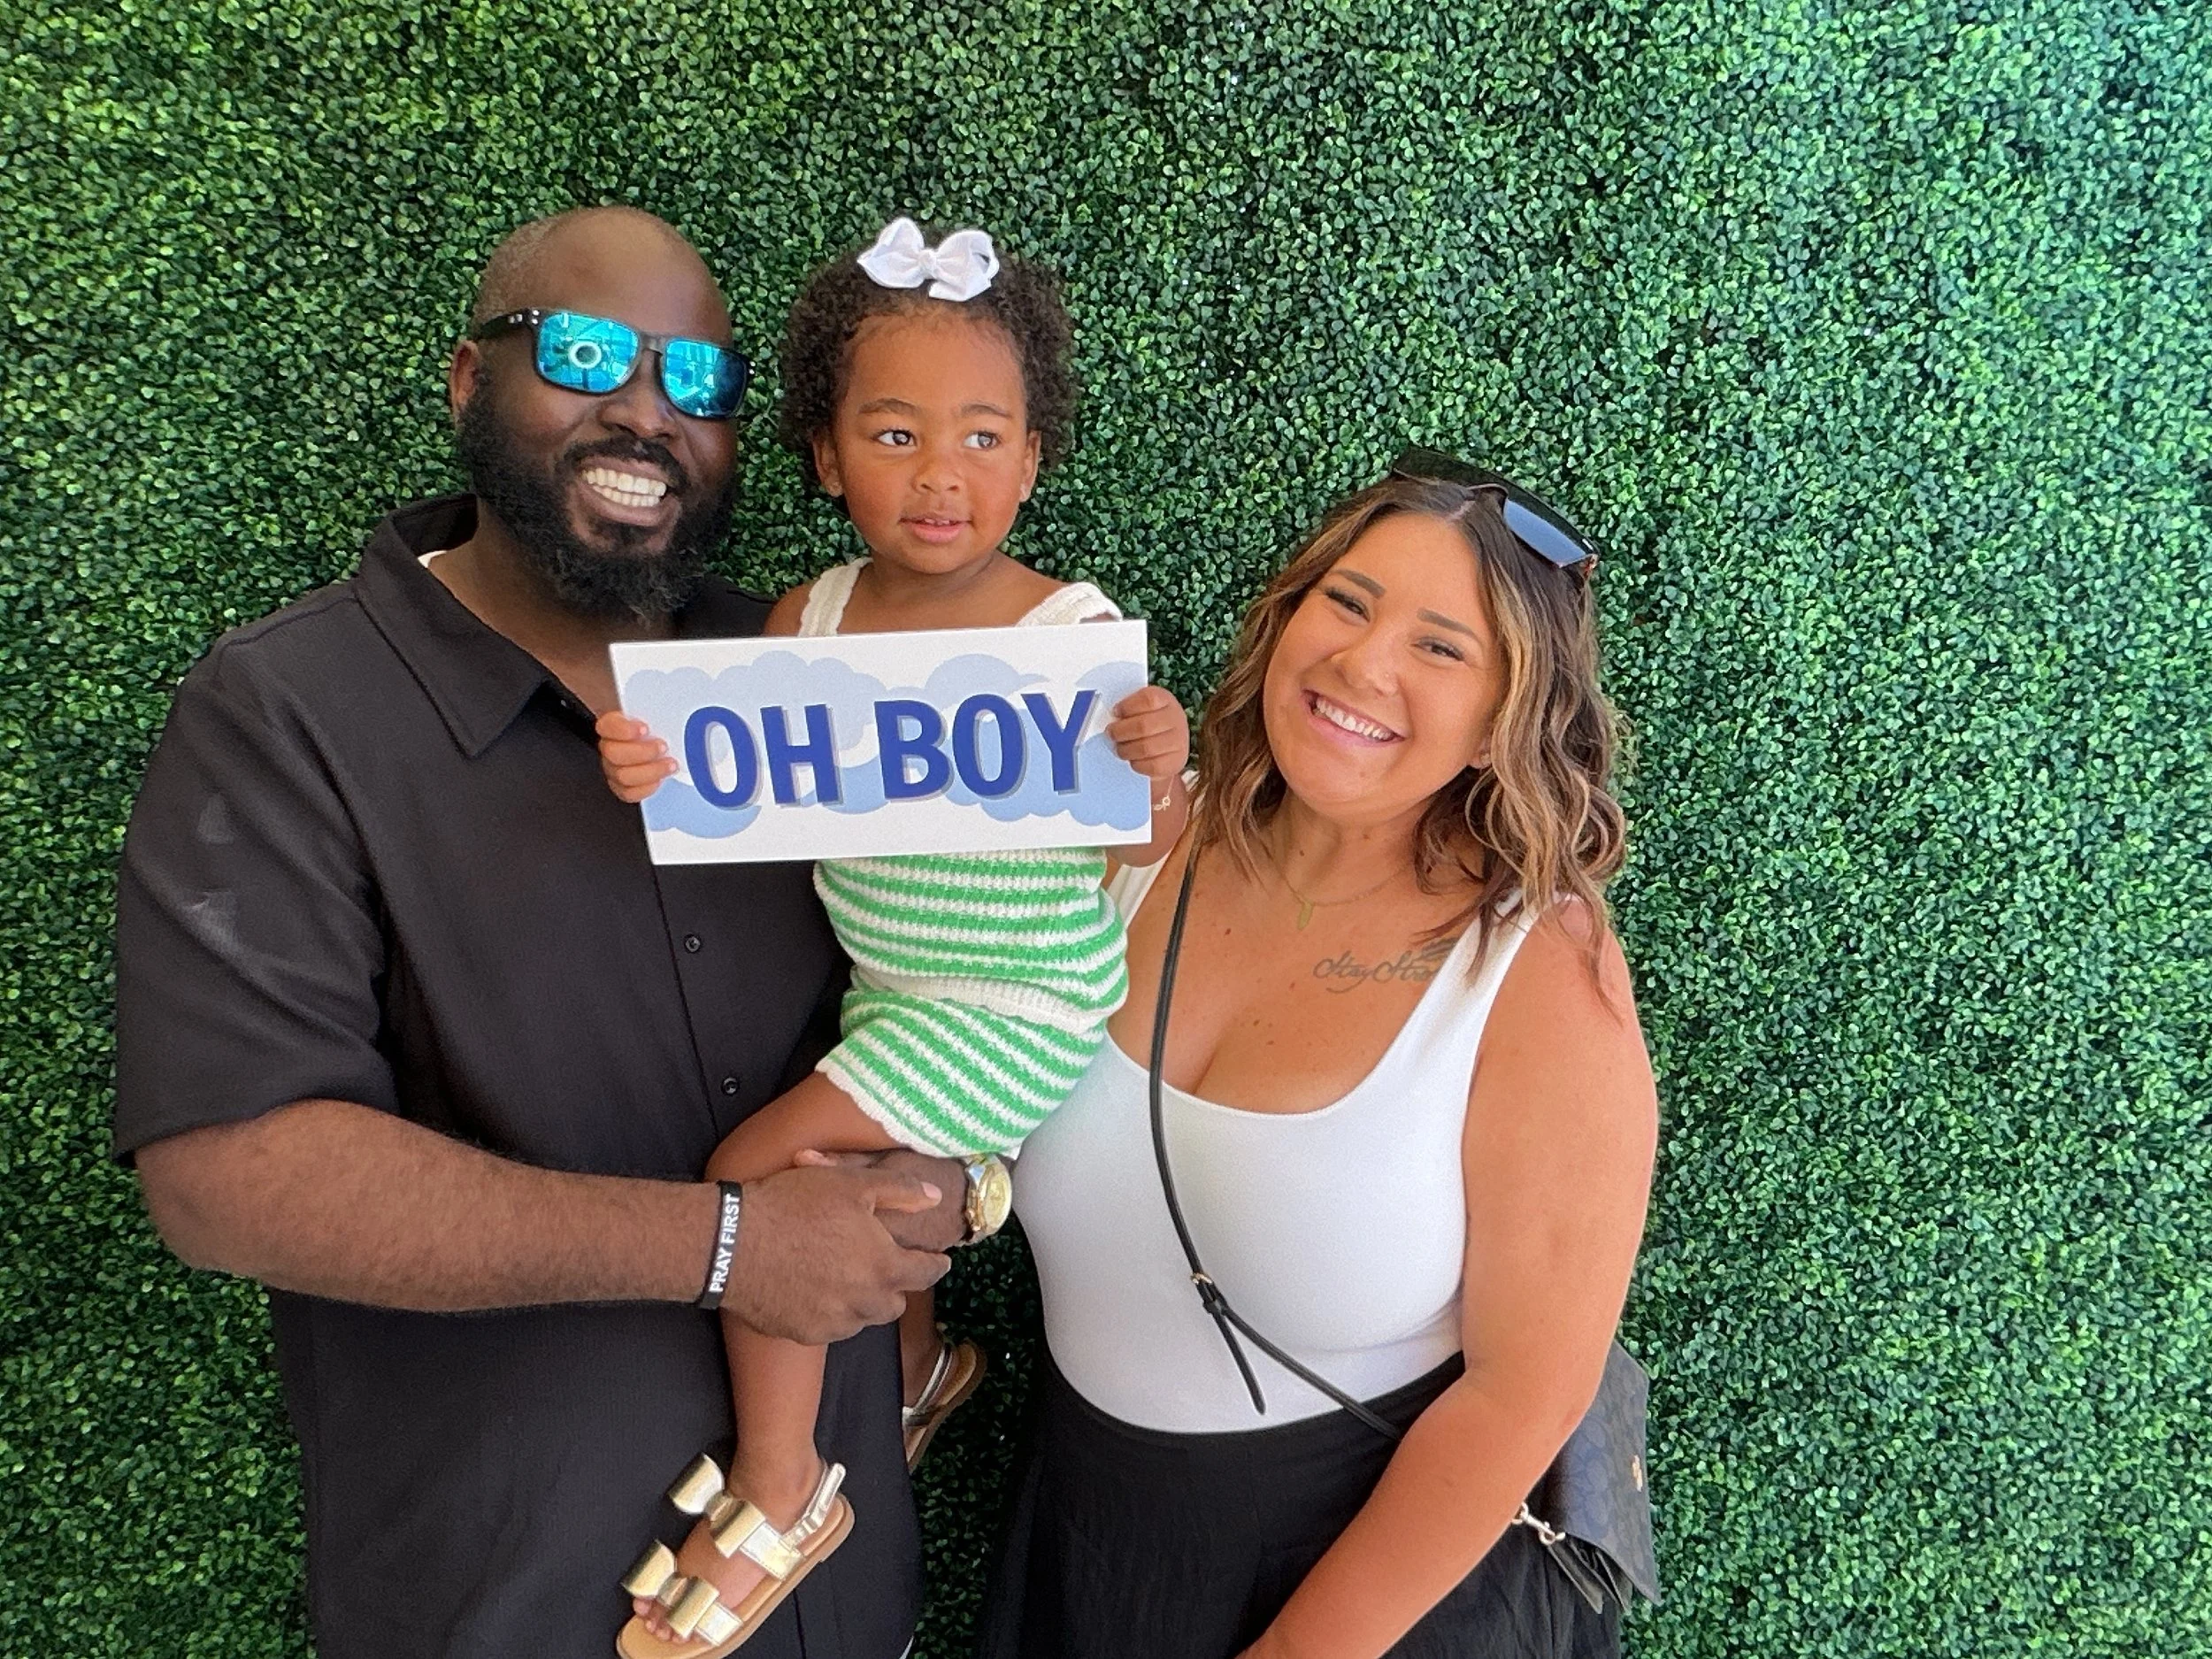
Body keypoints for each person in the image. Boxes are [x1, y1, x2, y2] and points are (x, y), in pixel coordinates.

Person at [113, 205, 967, 1659]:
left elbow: (946, 974)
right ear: (469, 379)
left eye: (696, 380)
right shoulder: (287, 712)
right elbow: (228, 1174)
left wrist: (948, 1183)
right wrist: (726, 1244)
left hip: (841, 1589)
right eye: (581, 354)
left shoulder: (807, 679)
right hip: (512, 1607)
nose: (644, 411)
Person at [595, 218, 1191, 1658]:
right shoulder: (807, 623)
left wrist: (1161, 768)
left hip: (1020, 1001)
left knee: (753, 1176)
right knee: (853, 1184)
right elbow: (754, 798)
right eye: (896, 432)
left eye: (983, 437)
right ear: (825, 455)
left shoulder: (1068, 633)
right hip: (892, 996)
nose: (941, 473)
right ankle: (918, 1373)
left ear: (1033, 461)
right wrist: (662, 767)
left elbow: (1142, 845)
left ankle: (783, 1481)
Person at [981, 457, 1659, 1659]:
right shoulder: (1133, 844)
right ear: (1285, 615)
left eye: (1441, 647)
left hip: (1379, 1599)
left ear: (1504, 716)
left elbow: (1527, 1394)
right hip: (1084, 1540)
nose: (1363, 663)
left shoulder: (1537, 967)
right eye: (1347, 602)